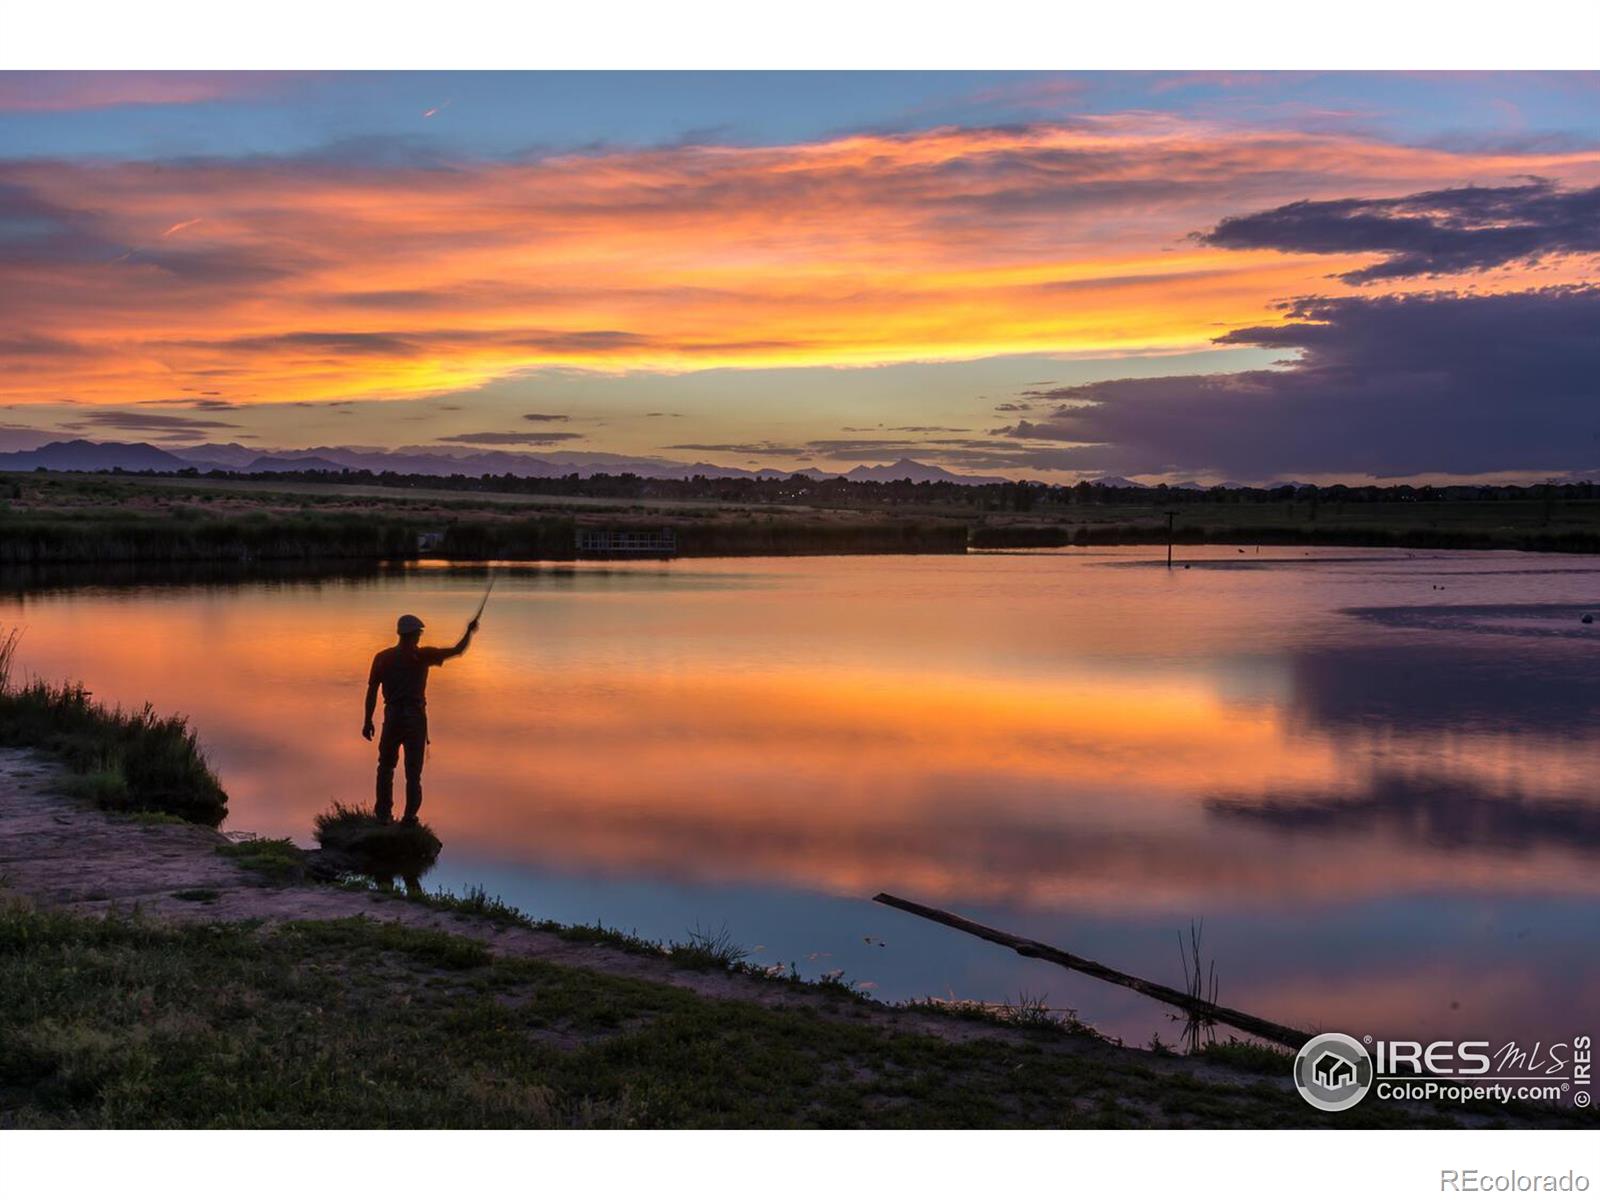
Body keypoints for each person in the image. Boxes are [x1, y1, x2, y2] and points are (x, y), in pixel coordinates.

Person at [362, 612, 477, 824]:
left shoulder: (382, 657)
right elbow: (457, 651)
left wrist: (367, 720)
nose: (419, 637)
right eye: (419, 634)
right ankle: (409, 817)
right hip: (415, 717)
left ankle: (383, 815)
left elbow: (372, 691)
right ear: (414, 635)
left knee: (386, 766)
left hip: (392, 716)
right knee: (413, 772)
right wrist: (469, 632)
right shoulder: (422, 656)